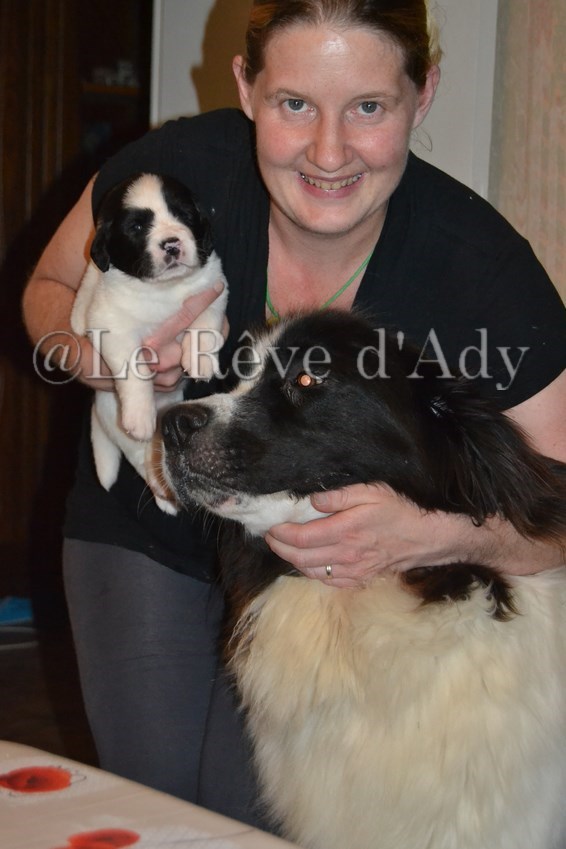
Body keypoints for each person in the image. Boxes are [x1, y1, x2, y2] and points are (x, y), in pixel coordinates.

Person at [23, 0, 566, 832]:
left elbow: (559, 507)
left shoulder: (479, 270)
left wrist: (441, 532)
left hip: (315, 576)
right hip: (147, 520)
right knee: (155, 807)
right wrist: (97, 359)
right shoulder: (177, 172)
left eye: (369, 107)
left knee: (255, 819)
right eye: (295, 103)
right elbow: (48, 288)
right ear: (247, 88)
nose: (329, 151)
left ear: (423, 95)